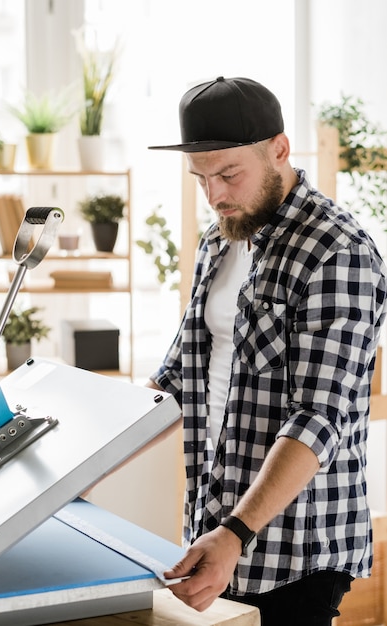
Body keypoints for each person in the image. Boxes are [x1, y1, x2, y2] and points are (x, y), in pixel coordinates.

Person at [146, 76, 387, 625]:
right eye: (201, 179)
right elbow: (181, 372)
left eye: (229, 174)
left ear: (279, 149)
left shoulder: (338, 251)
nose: (216, 195)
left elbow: (320, 416)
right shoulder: (221, 236)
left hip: (296, 544)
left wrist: (235, 533)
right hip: (215, 523)